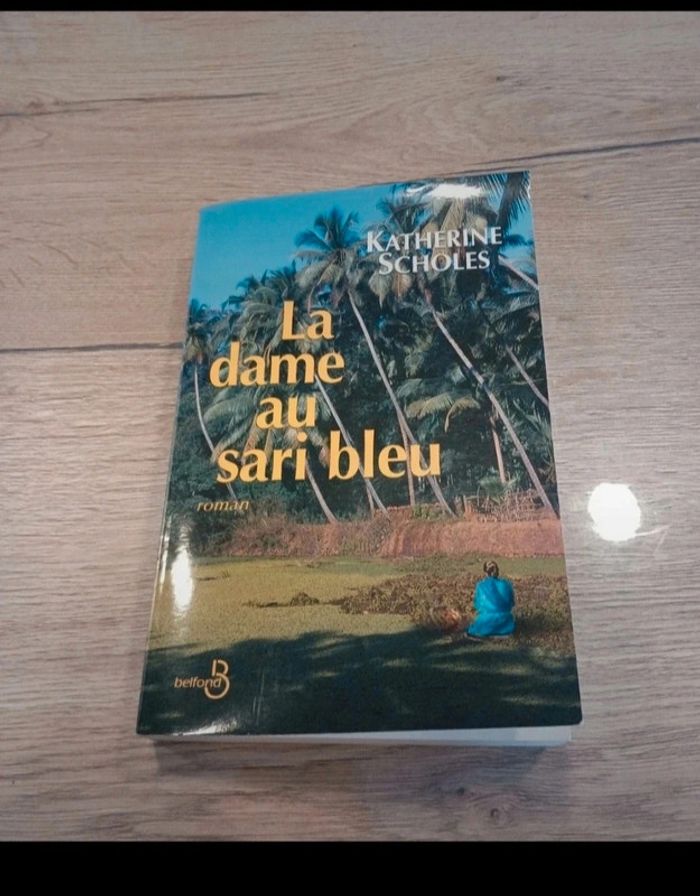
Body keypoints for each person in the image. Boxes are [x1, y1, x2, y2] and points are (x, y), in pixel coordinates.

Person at [466, 560, 515, 639]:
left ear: (486, 572)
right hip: (506, 624)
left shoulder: (481, 586)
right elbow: (512, 603)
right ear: (497, 571)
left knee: (472, 628)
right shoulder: (507, 584)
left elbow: (477, 605)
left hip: (485, 622)